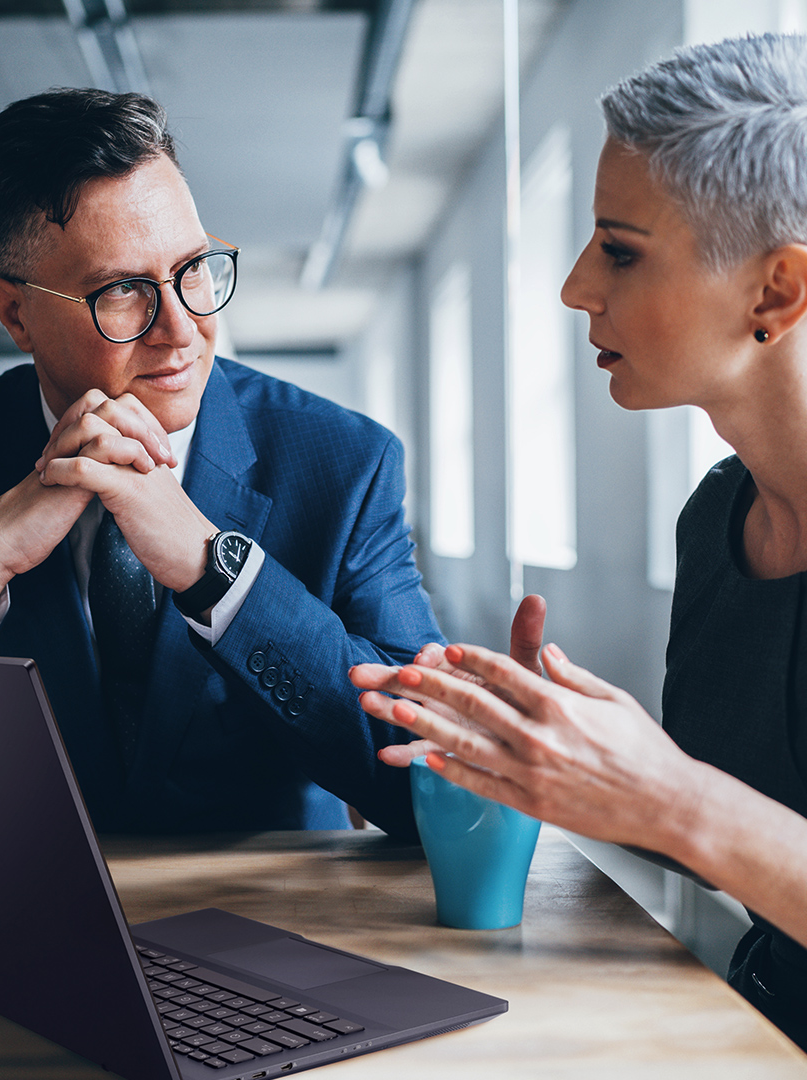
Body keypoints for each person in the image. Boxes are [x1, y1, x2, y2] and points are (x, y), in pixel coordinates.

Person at [0, 87, 473, 840]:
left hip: (278, 926)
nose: (182, 329)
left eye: (194, 269)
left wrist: (220, 574)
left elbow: (431, 779)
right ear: (15, 314)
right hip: (31, 924)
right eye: (123, 291)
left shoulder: (345, 465)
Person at [351, 33, 807, 1048]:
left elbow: (706, 819)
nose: (573, 288)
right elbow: (731, 854)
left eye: (619, 249)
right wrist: (554, 758)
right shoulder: (717, 520)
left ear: (774, 292)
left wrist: (670, 797)